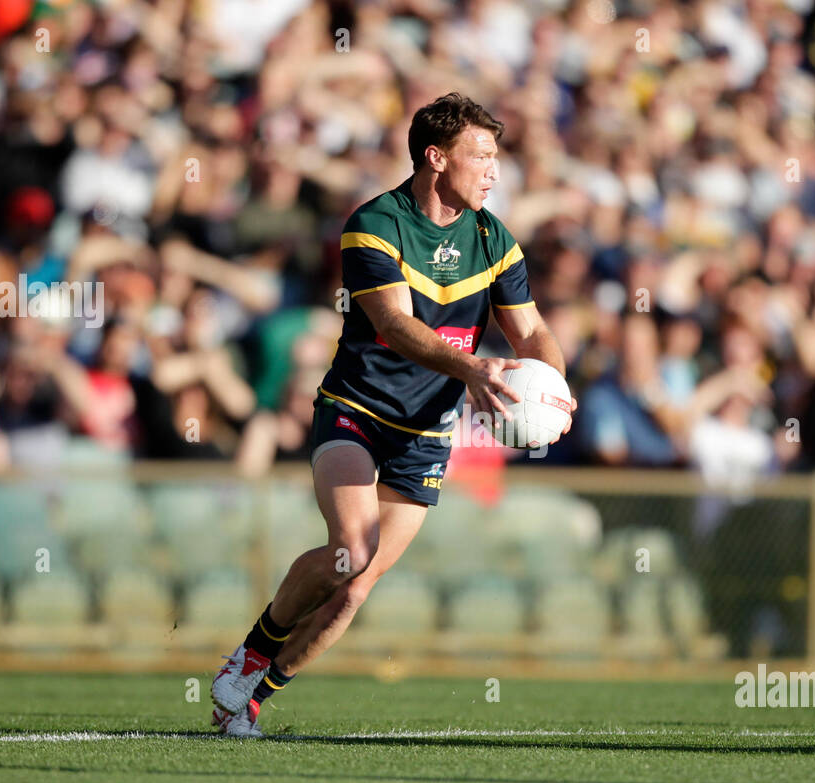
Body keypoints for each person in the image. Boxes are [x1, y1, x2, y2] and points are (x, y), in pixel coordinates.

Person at [209, 93, 576, 736]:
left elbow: (533, 332)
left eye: (496, 157)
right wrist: (472, 369)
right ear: (436, 158)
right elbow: (393, 325)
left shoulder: (495, 239)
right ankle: (253, 650)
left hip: (427, 431)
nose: (494, 171)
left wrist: (553, 389)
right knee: (351, 551)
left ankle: (252, 698)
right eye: (482, 156)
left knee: (356, 587)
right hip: (358, 409)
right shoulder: (374, 224)